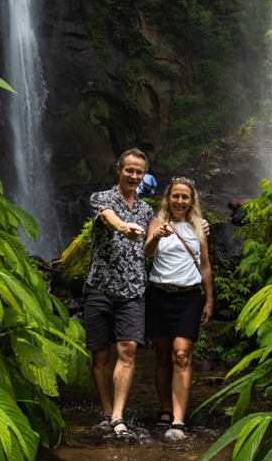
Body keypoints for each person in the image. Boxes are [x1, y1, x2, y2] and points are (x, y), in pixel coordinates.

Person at [84, 148, 154, 438]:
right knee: (99, 355)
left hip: (133, 289)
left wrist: (199, 225)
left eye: (139, 172)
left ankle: (117, 416)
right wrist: (124, 227)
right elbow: (108, 217)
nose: (134, 176)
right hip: (100, 286)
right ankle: (105, 408)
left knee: (128, 350)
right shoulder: (102, 198)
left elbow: (161, 233)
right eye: (130, 170)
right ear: (119, 169)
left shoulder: (147, 211)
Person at [143, 176, 214, 441]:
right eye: (176, 196)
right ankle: (164, 409)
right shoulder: (156, 224)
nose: (180, 201)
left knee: (182, 354)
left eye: (185, 197)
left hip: (188, 298)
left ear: (191, 200)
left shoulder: (199, 228)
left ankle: (179, 419)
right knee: (162, 356)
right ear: (168, 199)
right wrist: (157, 237)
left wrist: (209, 300)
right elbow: (148, 253)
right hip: (160, 295)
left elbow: (205, 265)